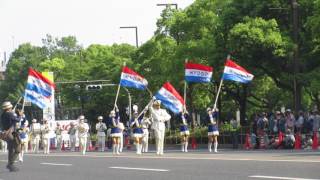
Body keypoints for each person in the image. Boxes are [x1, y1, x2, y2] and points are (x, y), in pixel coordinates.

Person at [0, 101, 22, 172]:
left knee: (11, 149)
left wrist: (15, 114)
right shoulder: (10, 114)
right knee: (18, 149)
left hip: (5, 134)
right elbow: (18, 120)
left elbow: (12, 122)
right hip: (10, 133)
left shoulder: (3, 114)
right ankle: (10, 164)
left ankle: (11, 166)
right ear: (9, 107)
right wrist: (20, 115)